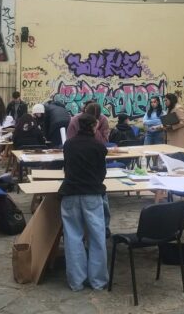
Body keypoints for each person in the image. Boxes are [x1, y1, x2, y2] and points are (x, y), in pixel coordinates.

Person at [59, 113, 109, 291]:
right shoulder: (99, 146)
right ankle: (98, 281)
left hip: (70, 192)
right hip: (92, 194)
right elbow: (102, 173)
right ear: (94, 126)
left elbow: (67, 168)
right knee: (97, 237)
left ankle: (76, 281)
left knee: (73, 237)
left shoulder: (68, 145)